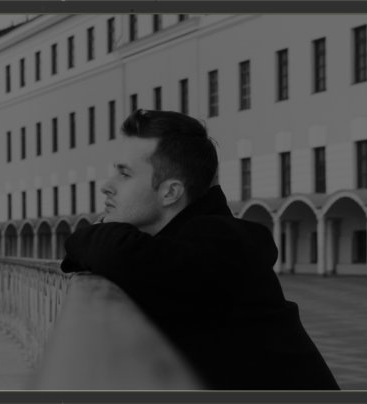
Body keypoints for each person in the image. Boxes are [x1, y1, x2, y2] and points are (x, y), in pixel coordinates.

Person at [61, 109, 339, 390]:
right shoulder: (188, 242)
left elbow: (114, 252)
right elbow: (103, 250)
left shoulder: (221, 242)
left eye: (124, 174)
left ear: (171, 192)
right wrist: (91, 237)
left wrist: (92, 235)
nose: (106, 186)